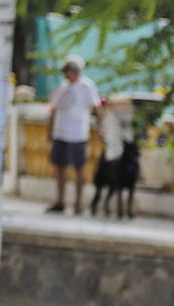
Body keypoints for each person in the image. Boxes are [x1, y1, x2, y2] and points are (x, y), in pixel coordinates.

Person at [47, 55, 101, 214]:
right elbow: (53, 109)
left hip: (78, 134)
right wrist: (50, 131)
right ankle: (60, 201)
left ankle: (78, 204)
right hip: (60, 133)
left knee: (79, 168)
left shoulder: (86, 86)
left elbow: (96, 107)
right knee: (59, 168)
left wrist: (100, 128)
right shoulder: (62, 87)